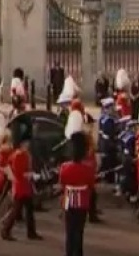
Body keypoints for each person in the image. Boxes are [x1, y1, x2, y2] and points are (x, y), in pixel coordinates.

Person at [0, 116, 41, 240]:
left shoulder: (22, 154)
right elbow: (19, 173)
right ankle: (5, 230)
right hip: (20, 186)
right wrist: (31, 175)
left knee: (29, 210)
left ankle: (31, 232)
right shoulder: (19, 155)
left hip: (24, 186)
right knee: (16, 210)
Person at [60, 110, 95, 256]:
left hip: (69, 200)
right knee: (79, 231)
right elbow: (91, 185)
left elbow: (62, 183)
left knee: (69, 231)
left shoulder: (65, 167)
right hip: (82, 201)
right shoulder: (87, 168)